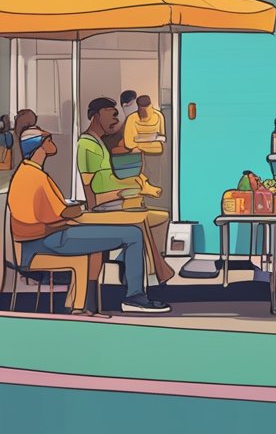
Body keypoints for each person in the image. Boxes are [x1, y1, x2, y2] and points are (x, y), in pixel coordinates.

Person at [7, 126, 170, 313]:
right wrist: (81, 208)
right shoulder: (35, 177)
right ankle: (134, 297)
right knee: (133, 234)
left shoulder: (26, 172)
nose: (52, 143)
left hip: (42, 238)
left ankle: (88, 304)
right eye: (48, 140)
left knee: (103, 243)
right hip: (48, 240)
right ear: (39, 147)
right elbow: (61, 214)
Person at [76, 98, 175, 284]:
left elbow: (110, 180)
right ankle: (154, 274)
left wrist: (133, 184)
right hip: (105, 207)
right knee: (141, 220)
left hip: (115, 202)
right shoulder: (86, 144)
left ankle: (145, 266)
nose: (115, 118)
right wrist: (123, 192)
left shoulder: (99, 142)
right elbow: (90, 188)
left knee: (162, 218)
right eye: (110, 114)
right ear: (96, 116)